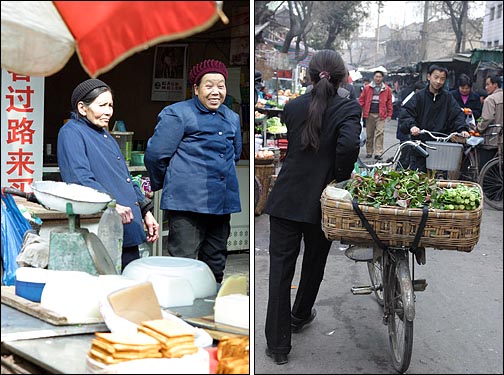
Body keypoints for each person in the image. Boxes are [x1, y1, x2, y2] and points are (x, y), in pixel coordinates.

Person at [263, 49, 361, 365]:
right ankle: (300, 314)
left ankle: (278, 346)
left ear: (308, 77)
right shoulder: (348, 109)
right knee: (314, 262)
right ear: (342, 78)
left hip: (286, 198)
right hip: (323, 202)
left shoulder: (292, 107)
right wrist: (340, 177)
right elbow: (348, 146)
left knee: (280, 271)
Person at [144, 59, 241, 286]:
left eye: (221, 86)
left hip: (220, 203)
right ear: (196, 89)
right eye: (209, 86)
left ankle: (211, 310)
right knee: (183, 264)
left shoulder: (232, 117)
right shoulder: (177, 114)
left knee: (215, 262)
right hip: (186, 203)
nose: (216, 92)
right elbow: (156, 155)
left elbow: (234, 154)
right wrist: (169, 184)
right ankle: (183, 315)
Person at [57, 79, 160, 271]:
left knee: (128, 291)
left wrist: (146, 210)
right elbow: (79, 179)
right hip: (102, 227)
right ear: (82, 107)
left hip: (126, 226)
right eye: (102, 105)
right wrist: (111, 204)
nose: (108, 111)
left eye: (110, 105)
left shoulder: (105, 135)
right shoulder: (71, 132)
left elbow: (125, 178)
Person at [398, 64, 470, 172]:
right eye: (436, 77)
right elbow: (406, 113)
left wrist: (462, 129)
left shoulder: (448, 98)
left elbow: (457, 115)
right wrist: (412, 126)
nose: (438, 81)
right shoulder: (419, 97)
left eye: (442, 79)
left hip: (441, 145)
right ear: (428, 77)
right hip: (420, 144)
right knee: (419, 177)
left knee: (440, 177)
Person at [358, 70, 393, 159]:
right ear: (373, 77)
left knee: (380, 133)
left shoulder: (387, 89)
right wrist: (358, 111)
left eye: (379, 77)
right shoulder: (367, 88)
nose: (378, 78)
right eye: (376, 76)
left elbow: (389, 103)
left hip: (381, 114)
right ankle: (369, 152)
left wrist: (389, 114)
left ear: (382, 78)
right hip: (369, 113)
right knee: (370, 134)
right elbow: (361, 100)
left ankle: (378, 153)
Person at [395, 80, 425, 169]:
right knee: (405, 156)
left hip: (413, 130)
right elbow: (403, 114)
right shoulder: (410, 98)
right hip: (405, 131)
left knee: (411, 156)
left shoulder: (418, 98)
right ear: (416, 90)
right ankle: (398, 172)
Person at [476, 73, 503, 170]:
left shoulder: (490, 99)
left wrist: (478, 128)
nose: (486, 87)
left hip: (492, 141)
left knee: (487, 170)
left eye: (488, 84)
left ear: (495, 85)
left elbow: (487, 118)